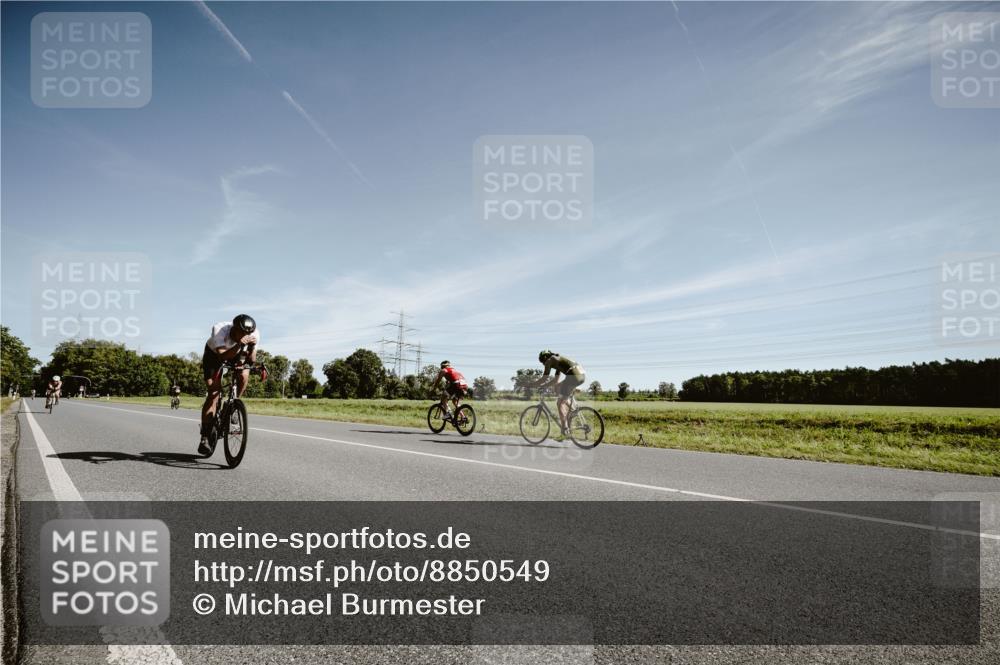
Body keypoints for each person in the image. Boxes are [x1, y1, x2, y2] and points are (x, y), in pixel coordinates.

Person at [199, 314, 260, 455]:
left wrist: (251, 347)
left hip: (237, 353)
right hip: (215, 354)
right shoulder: (220, 329)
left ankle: (234, 403)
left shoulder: (254, 333)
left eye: (248, 333)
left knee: (244, 374)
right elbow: (222, 356)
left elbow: (252, 360)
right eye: (243, 333)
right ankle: (205, 436)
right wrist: (240, 344)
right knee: (213, 392)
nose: (246, 335)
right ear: (234, 329)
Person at [531, 350, 586, 436]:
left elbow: (544, 379)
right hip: (581, 375)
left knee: (559, 403)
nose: (543, 364)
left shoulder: (550, 360)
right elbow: (555, 380)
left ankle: (565, 430)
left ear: (545, 357)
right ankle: (572, 409)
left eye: (542, 361)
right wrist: (547, 386)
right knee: (557, 387)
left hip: (573, 376)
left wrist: (536, 385)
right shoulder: (557, 360)